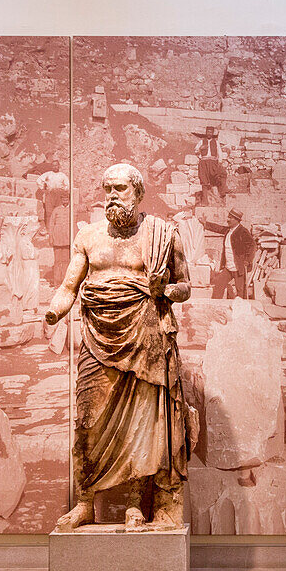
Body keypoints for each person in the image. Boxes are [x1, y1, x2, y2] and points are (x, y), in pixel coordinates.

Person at [44, 164, 192, 530]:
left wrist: (164, 291)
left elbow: (185, 286)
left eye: (120, 188)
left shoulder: (162, 235)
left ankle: (134, 505)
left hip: (144, 341)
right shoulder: (89, 237)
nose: (112, 194)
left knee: (143, 425)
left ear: (138, 193)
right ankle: (84, 503)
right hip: (97, 340)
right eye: (107, 188)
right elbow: (68, 287)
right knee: (86, 419)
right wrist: (54, 311)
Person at [204, 208, 255, 299]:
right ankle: (216, 306)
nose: (228, 219)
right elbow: (219, 228)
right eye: (228, 217)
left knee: (241, 291)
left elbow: (252, 246)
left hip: (239, 267)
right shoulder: (228, 230)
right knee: (218, 283)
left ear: (236, 220)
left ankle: (242, 310)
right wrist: (205, 223)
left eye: (230, 218)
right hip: (228, 267)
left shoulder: (242, 231)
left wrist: (247, 260)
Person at [194, 126, 226, 204]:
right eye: (208, 132)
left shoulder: (216, 142)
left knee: (222, 174)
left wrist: (220, 162)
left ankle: (222, 193)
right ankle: (205, 201)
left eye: (210, 132)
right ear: (206, 133)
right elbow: (196, 151)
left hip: (213, 162)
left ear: (212, 133)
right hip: (203, 162)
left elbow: (220, 153)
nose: (209, 133)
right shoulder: (201, 142)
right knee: (204, 181)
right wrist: (201, 148)